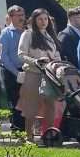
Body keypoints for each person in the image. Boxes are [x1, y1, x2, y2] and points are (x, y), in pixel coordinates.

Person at [17, 9, 62, 139]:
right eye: (40, 19)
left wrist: (57, 63)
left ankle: (48, 134)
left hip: (49, 75)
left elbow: (56, 54)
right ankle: (29, 136)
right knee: (31, 106)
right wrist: (35, 61)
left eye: (46, 19)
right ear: (34, 20)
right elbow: (21, 54)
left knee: (51, 105)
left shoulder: (50, 35)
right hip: (33, 73)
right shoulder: (28, 34)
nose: (43, 22)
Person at [0, 6, 26, 130]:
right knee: (15, 100)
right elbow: (3, 56)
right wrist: (16, 73)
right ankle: (17, 128)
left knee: (26, 100)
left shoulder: (27, 31)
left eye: (22, 15)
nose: (21, 18)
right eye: (18, 15)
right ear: (10, 17)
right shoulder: (6, 33)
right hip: (11, 72)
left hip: (26, 71)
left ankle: (26, 127)